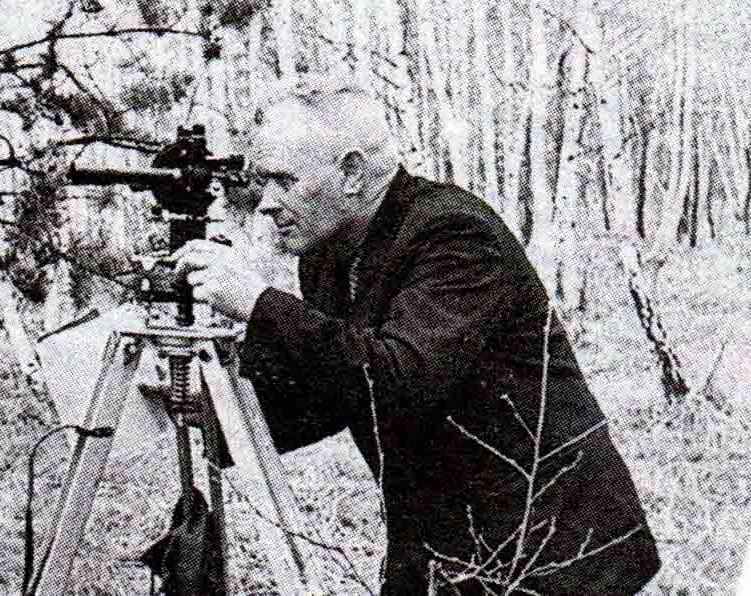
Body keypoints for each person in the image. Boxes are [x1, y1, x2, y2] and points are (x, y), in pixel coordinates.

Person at [171, 75, 660, 595]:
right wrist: (211, 414)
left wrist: (258, 304)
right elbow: (338, 391)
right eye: (261, 182)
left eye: (283, 181)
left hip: (556, 545)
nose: (265, 203)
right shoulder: (329, 253)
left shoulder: (454, 234)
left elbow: (399, 378)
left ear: (352, 173)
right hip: (439, 538)